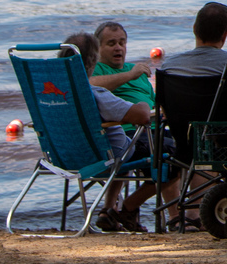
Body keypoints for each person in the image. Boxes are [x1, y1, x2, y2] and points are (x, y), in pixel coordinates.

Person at [62, 32, 156, 232]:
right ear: (94, 60)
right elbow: (141, 117)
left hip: (62, 158)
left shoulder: (51, 95)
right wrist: (143, 104)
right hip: (107, 157)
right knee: (168, 155)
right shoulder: (95, 94)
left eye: (122, 43)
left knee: (124, 144)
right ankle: (124, 210)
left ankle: (108, 210)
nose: (119, 47)